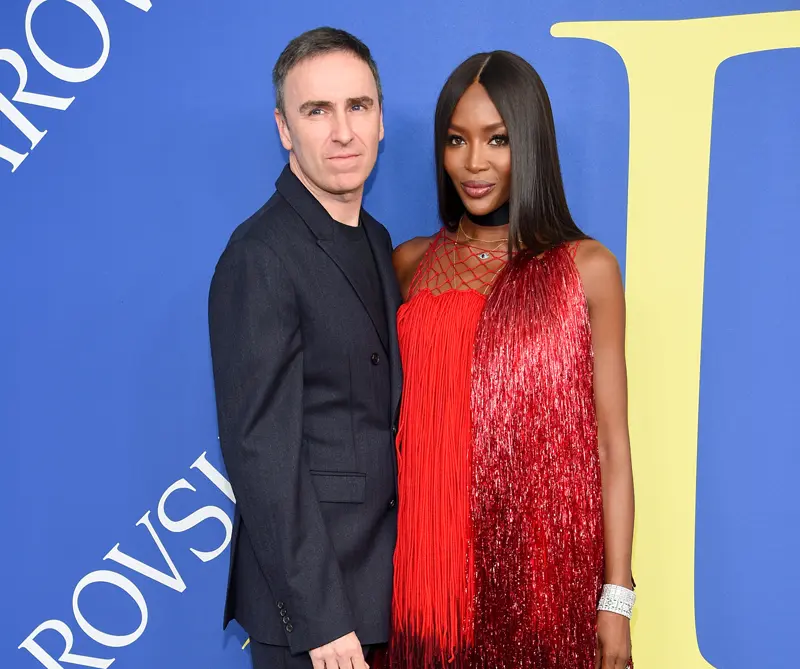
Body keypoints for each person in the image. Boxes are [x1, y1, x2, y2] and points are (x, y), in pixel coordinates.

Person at [388, 51, 636, 669]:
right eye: (456, 140)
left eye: (497, 139)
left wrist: (617, 598)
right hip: (427, 587)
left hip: (544, 582)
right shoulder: (409, 264)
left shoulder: (587, 269)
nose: (473, 162)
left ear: (531, 142)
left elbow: (611, 446)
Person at [208, 27, 402, 669]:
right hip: (319, 620)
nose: (343, 132)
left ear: (380, 119)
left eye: (358, 106)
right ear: (284, 129)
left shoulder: (376, 238)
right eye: (317, 111)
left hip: (384, 589)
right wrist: (321, 619)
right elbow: (261, 451)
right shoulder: (260, 254)